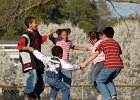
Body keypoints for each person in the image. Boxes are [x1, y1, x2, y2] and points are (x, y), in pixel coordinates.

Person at [80, 27, 123, 100]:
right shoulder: (116, 43)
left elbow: (95, 54)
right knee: (108, 80)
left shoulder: (103, 43)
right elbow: (120, 52)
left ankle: (107, 97)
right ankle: (113, 95)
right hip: (119, 66)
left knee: (99, 80)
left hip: (110, 66)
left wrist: (85, 63)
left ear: (104, 35)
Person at [18, 16, 55, 99]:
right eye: (35, 22)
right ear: (30, 24)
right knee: (33, 74)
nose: (36, 24)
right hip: (28, 57)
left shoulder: (36, 32)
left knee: (42, 75)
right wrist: (29, 48)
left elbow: (40, 40)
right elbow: (20, 47)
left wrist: (48, 34)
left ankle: (35, 93)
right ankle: (28, 92)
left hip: (37, 57)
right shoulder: (26, 35)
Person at [49, 28, 88, 99]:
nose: (65, 36)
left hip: (66, 66)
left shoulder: (69, 42)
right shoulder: (57, 40)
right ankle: (52, 97)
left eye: (66, 35)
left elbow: (73, 47)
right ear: (60, 36)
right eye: (63, 35)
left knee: (67, 85)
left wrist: (83, 48)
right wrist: (51, 34)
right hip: (58, 65)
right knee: (56, 83)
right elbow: (51, 38)